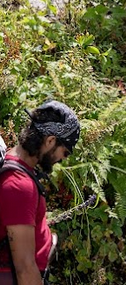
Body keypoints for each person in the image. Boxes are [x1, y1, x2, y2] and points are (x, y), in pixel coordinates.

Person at [0, 101, 80, 285]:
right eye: (65, 152)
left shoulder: (14, 162)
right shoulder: (19, 186)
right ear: (50, 141)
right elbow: (25, 267)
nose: (62, 159)